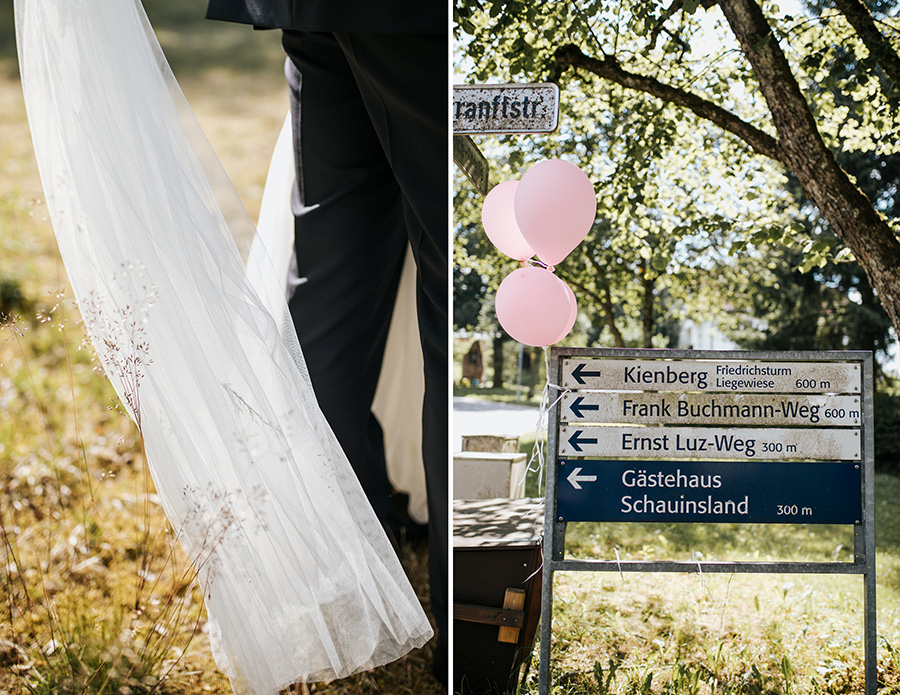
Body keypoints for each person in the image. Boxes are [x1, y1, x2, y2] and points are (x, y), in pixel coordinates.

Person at [205, 0, 449, 683]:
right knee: (453, 287)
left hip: (313, 6)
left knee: (329, 289)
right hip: (425, 19)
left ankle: (342, 574)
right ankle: (467, 631)